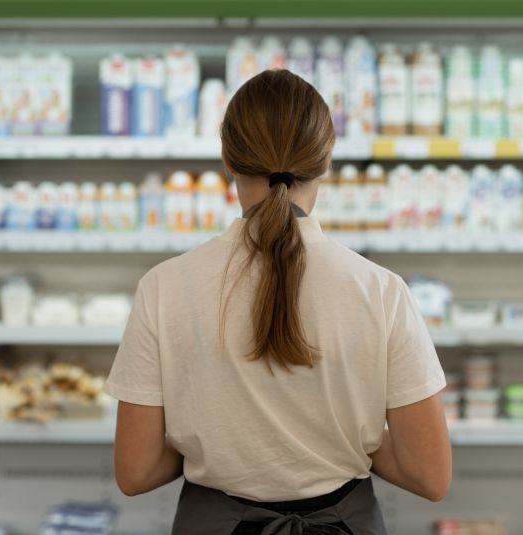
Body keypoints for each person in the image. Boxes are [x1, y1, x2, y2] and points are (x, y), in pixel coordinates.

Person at [105, 69, 451, 534]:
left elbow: (137, 470)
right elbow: (428, 475)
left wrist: (219, 436)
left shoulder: (164, 286)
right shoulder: (382, 291)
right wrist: (343, 435)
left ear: (228, 156)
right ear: (325, 158)